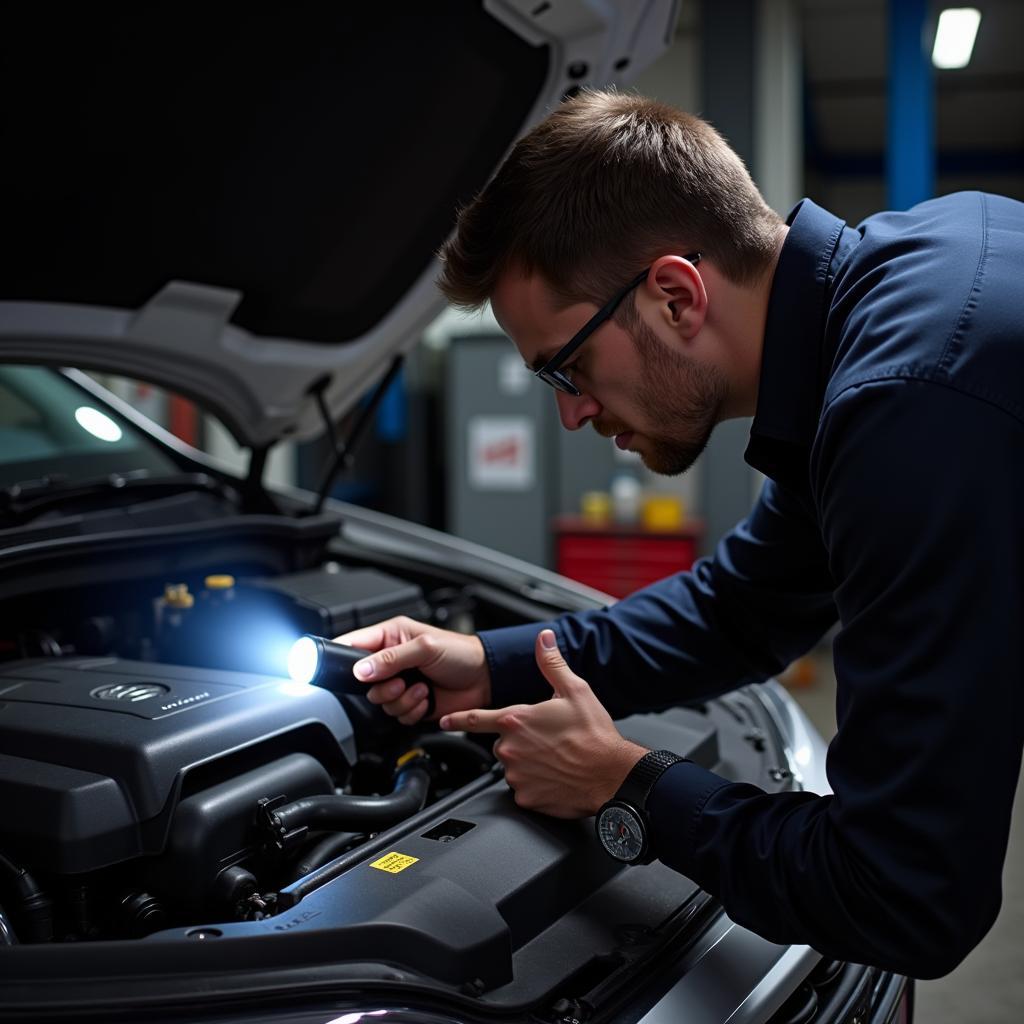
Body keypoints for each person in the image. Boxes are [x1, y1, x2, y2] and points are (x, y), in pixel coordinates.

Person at [338, 90, 1024, 980]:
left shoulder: (908, 402)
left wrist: (625, 784)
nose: (574, 415)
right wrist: (485, 659)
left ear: (674, 294)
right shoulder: (914, 277)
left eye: (566, 366)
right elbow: (740, 610)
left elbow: (904, 894)